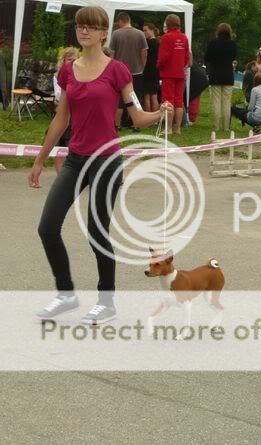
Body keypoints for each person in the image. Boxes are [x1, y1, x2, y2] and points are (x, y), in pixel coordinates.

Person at [29, 6, 172, 324]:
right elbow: (61, 119)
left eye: (91, 27)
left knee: (97, 232)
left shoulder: (117, 71)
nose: (84, 31)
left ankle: (106, 302)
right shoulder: (68, 70)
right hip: (75, 159)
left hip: (106, 161)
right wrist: (40, 159)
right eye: (80, 26)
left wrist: (160, 113)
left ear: (104, 33)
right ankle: (66, 295)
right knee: (47, 227)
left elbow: (137, 117)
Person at [110, 12, 148, 129]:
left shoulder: (116, 34)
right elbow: (144, 53)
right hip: (136, 71)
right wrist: (142, 67)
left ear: (121, 21)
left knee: (119, 98)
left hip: (119, 71)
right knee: (136, 97)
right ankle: (136, 123)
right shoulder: (140, 33)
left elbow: (111, 53)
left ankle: (117, 124)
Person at [157, 14, 190, 136]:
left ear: (168, 23)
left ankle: (169, 128)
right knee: (179, 101)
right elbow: (187, 56)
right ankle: (178, 128)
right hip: (180, 72)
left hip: (168, 73)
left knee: (168, 100)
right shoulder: (184, 37)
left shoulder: (166, 37)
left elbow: (163, 57)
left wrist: (159, 65)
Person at [205, 23, 238, 132]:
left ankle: (216, 126)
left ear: (218, 31)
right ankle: (226, 127)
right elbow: (234, 56)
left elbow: (207, 58)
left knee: (216, 101)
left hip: (215, 75)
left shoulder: (213, 43)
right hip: (228, 75)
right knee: (226, 102)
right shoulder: (232, 44)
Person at [52, 47, 80, 173]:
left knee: (74, 148)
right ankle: (60, 174)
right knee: (60, 146)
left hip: (77, 116)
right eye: (69, 59)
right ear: (63, 60)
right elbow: (59, 95)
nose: (72, 62)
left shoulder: (82, 74)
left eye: (75, 59)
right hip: (63, 114)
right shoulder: (57, 75)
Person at [142, 23, 160, 112]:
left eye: (146, 30)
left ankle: (148, 116)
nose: (144, 32)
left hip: (147, 70)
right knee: (154, 95)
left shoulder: (147, 44)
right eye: (143, 30)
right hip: (156, 71)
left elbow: (144, 56)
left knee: (147, 96)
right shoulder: (158, 43)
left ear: (152, 30)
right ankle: (155, 117)